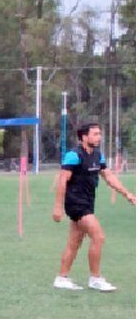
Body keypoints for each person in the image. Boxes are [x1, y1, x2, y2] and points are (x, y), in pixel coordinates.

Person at [52, 122, 135, 291]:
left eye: (99, 133)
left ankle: (61, 278)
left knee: (74, 242)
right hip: (76, 203)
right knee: (99, 236)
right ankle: (95, 278)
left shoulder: (98, 156)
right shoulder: (73, 155)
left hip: (88, 202)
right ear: (84, 136)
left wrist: (127, 193)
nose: (99, 137)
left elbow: (109, 177)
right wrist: (58, 207)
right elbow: (62, 181)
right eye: (95, 134)